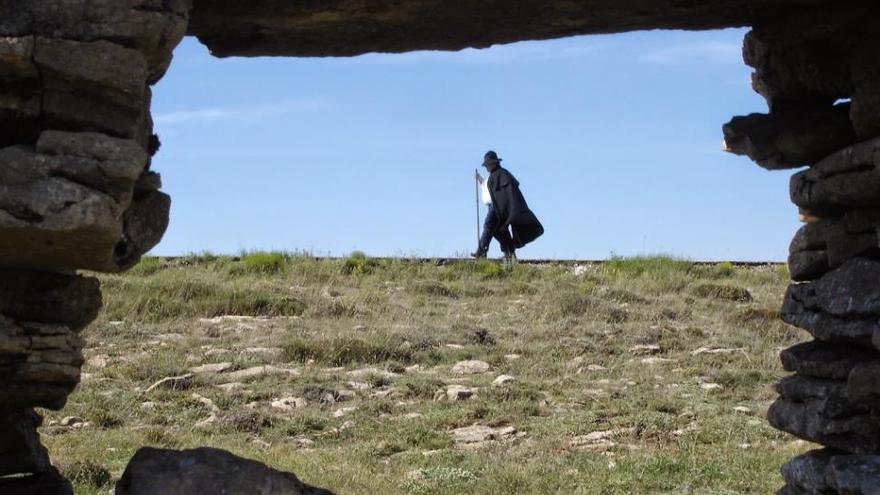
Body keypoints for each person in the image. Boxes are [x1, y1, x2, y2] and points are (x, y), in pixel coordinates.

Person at [472, 150, 543, 260]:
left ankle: (481, 251)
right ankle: (508, 251)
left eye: (487, 165)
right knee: (498, 230)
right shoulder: (493, 176)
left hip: (498, 207)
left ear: (494, 163)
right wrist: (479, 179)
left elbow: (507, 194)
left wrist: (506, 209)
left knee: (489, 226)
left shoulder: (502, 174)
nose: (486, 167)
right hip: (496, 207)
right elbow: (489, 188)